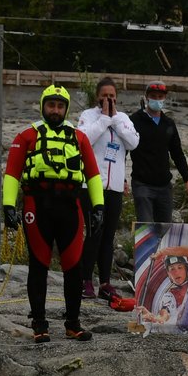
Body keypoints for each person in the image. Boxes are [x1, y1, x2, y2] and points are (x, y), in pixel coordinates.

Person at [2, 84, 106, 343]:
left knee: (74, 266)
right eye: (51, 105)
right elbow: (12, 173)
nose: (55, 110)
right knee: (39, 264)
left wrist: (98, 206)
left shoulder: (79, 138)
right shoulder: (27, 136)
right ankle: (39, 324)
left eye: (60, 106)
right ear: (43, 106)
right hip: (37, 205)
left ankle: (73, 323)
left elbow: (93, 174)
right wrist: (7, 206)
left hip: (70, 206)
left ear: (66, 109)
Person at [75, 77, 140, 310]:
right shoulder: (88, 116)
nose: (108, 99)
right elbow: (83, 139)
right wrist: (104, 118)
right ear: (97, 97)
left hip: (113, 187)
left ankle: (104, 281)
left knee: (108, 236)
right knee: (94, 232)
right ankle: (85, 280)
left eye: (112, 96)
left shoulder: (123, 118)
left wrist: (115, 120)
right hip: (91, 185)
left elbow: (133, 142)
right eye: (104, 95)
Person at [128, 81, 188, 229]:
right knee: (145, 228)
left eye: (160, 97)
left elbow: (177, 152)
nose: (157, 100)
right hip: (142, 184)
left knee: (165, 230)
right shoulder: (134, 121)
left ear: (165, 98)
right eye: (153, 96)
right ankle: (145, 253)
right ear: (146, 97)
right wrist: (122, 179)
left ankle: (162, 253)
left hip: (164, 186)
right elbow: (124, 151)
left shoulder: (168, 123)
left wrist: (187, 179)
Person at [141, 245, 188, 330]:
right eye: (172, 269)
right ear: (169, 275)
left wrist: (163, 252)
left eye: (180, 267)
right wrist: (155, 318)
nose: (176, 272)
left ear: (186, 269)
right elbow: (164, 315)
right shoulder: (169, 295)